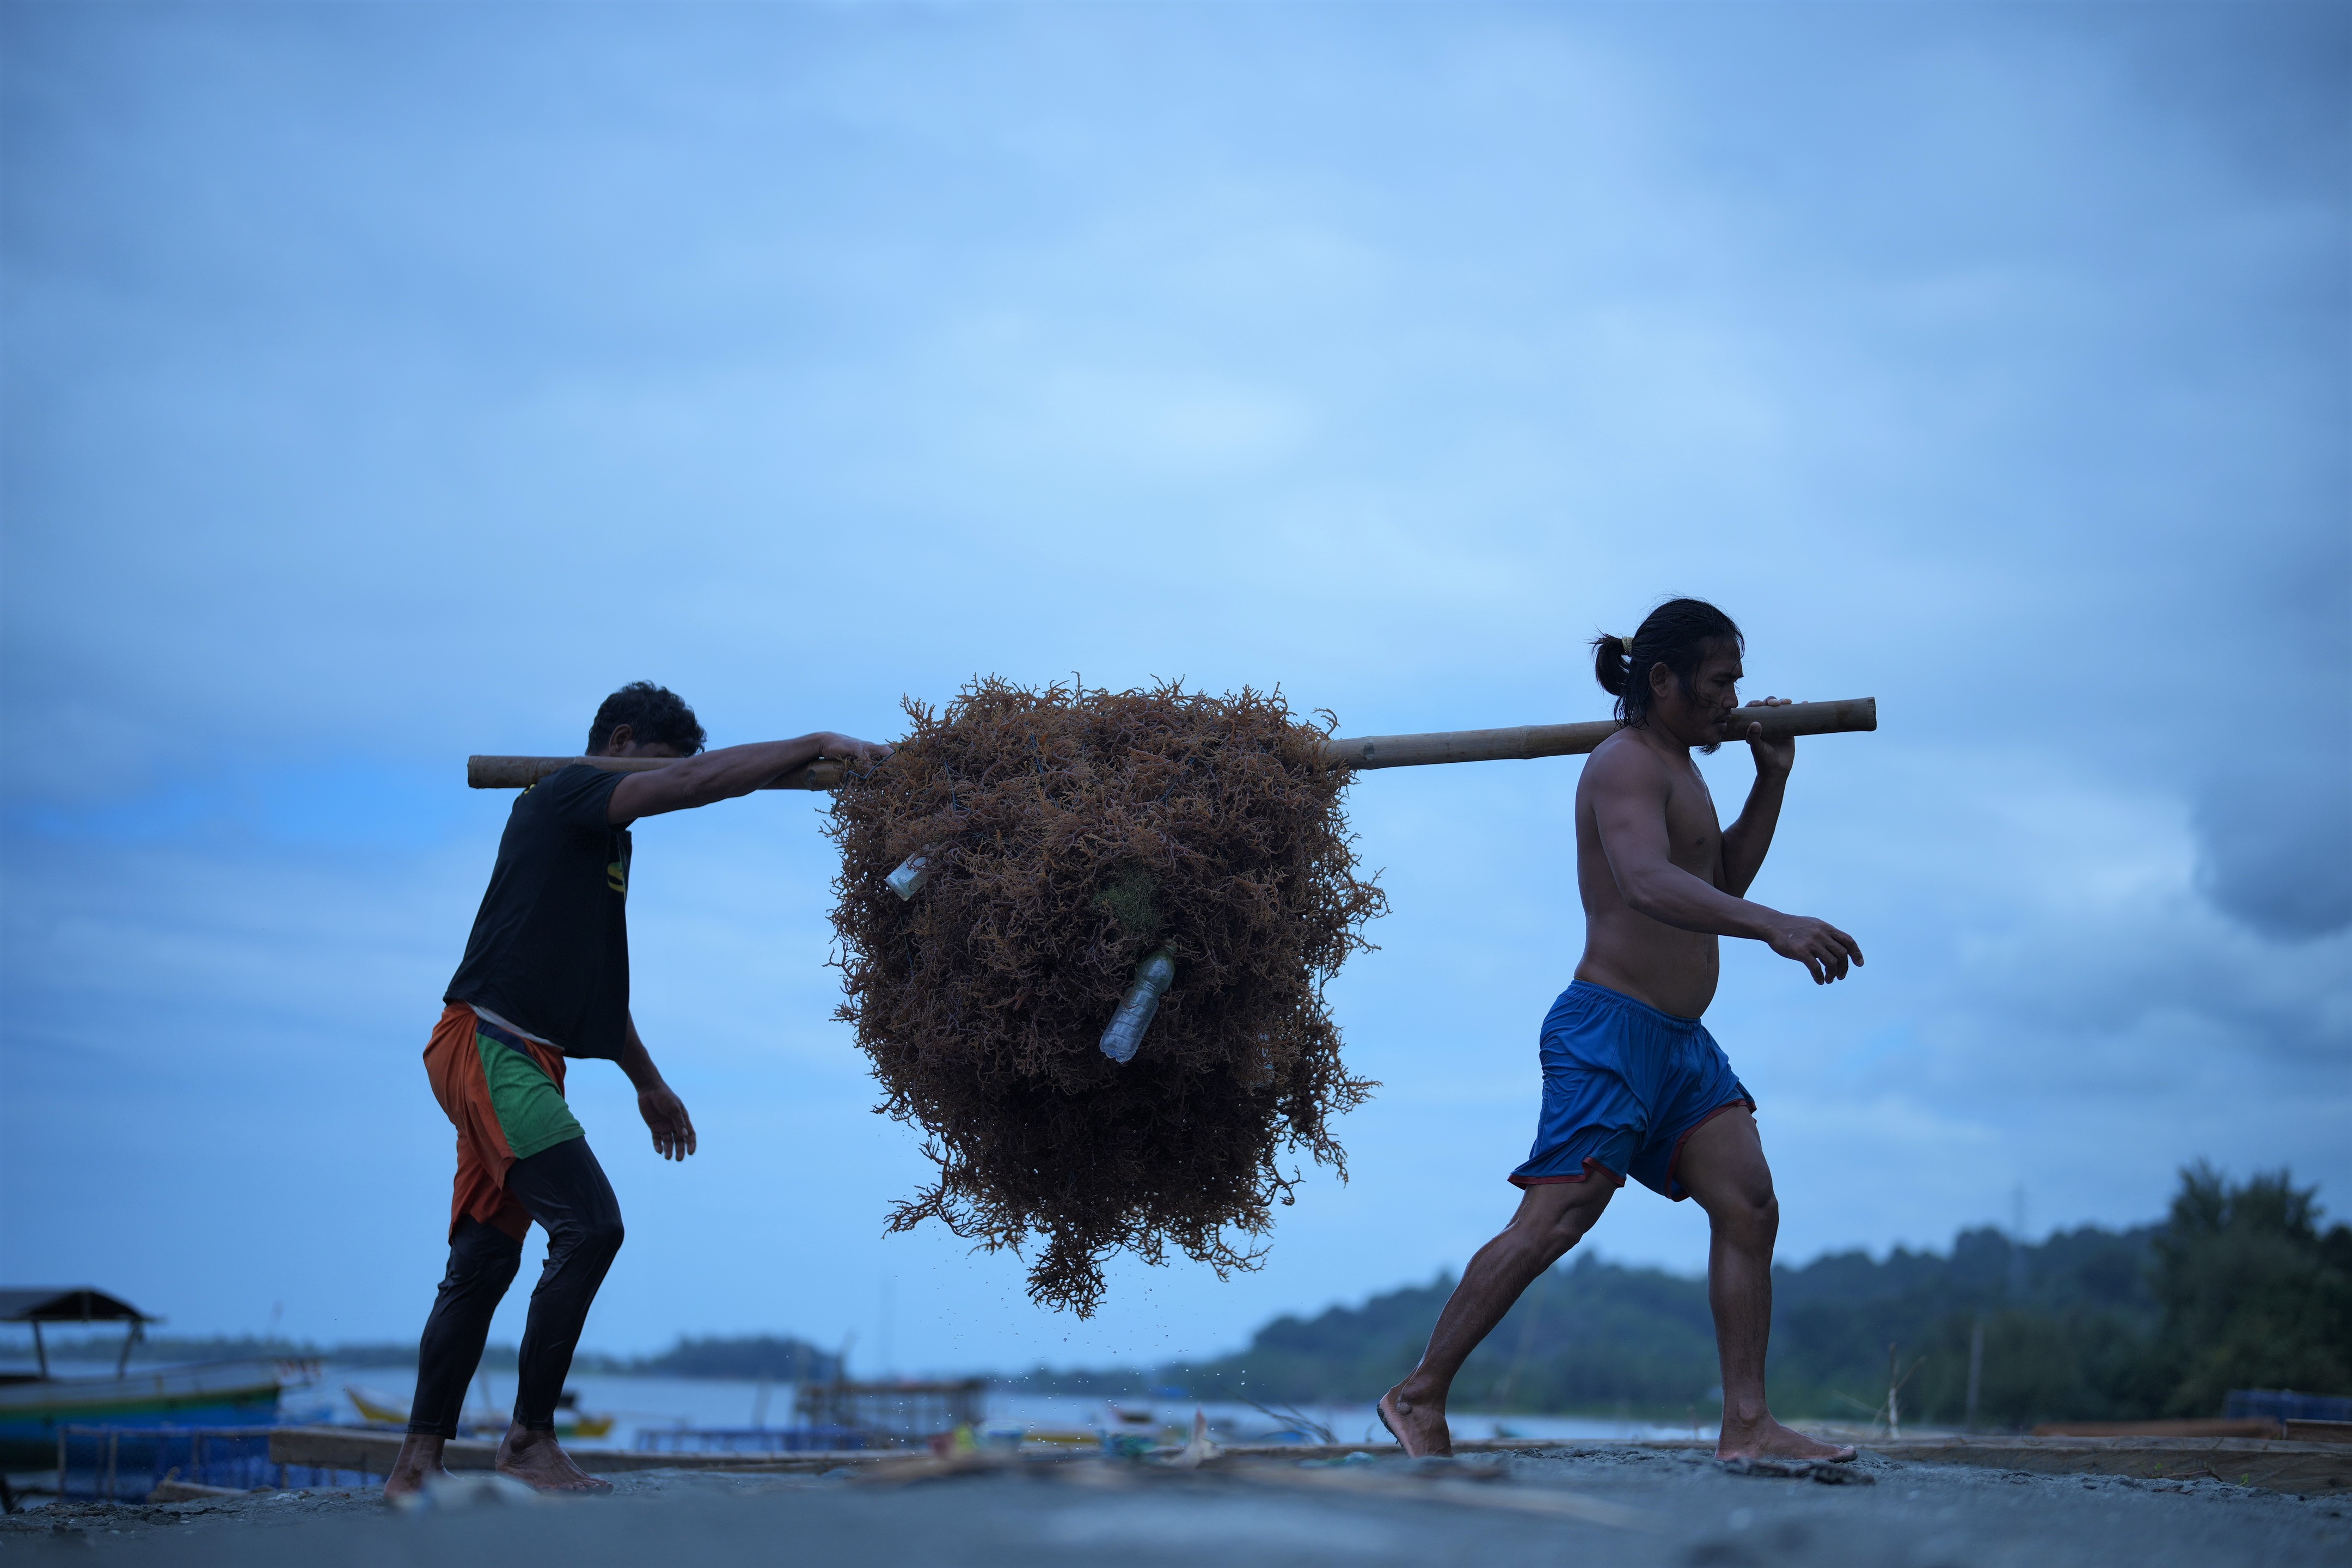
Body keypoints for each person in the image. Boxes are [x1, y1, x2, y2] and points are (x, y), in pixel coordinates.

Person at [1379, 599, 1864, 1462]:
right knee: (1557, 1221)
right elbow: (1644, 881)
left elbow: (1719, 877)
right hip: (1606, 1030)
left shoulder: (1687, 767)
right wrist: (1777, 925)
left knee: (1750, 1204)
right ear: (1664, 680)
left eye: (1737, 684)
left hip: (1681, 1047)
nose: (1733, 700)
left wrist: (1773, 776)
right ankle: (1417, 1396)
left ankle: (1747, 1426)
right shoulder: (1622, 764)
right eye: (1720, 683)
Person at [383, 682, 892, 1498]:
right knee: (591, 1227)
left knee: (482, 1261)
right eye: (656, 769)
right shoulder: (569, 791)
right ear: (620, 741)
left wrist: (647, 1082)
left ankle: (415, 1467)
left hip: (520, 1054)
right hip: (489, 1046)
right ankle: (527, 1442)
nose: (660, 790)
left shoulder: (600, 840)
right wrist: (814, 740)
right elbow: (692, 786)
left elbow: (594, 989)